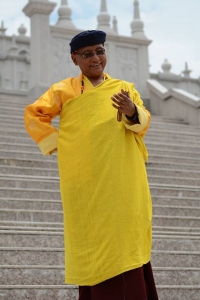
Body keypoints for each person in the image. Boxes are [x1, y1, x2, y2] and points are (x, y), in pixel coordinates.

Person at [24, 30, 159, 300]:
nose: (95, 58)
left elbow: (142, 124)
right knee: (91, 242)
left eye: (100, 51)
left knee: (124, 242)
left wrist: (132, 111)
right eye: (87, 54)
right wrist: (58, 144)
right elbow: (34, 115)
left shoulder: (125, 88)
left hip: (122, 181)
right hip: (84, 185)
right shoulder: (62, 91)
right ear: (75, 59)